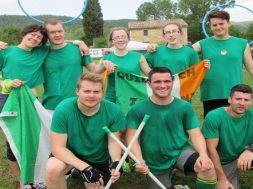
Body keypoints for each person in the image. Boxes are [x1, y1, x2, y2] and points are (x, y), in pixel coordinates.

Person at [126, 67, 217, 189]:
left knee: (207, 167)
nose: (163, 85)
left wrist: (203, 154)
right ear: (149, 84)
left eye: (167, 81)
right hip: (154, 159)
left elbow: (195, 134)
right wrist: (139, 160)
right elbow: (132, 138)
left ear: (172, 82)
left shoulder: (184, 106)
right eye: (157, 82)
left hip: (180, 151)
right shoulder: (137, 109)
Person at [45, 72, 125, 189]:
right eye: (87, 91)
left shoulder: (114, 111)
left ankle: (85, 175)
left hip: (98, 158)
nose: (91, 95)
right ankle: (78, 169)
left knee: (97, 187)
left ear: (102, 93)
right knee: (52, 170)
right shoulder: (63, 109)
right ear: (77, 91)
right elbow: (58, 148)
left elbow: (113, 141)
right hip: (70, 154)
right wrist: (85, 167)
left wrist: (116, 161)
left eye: (96, 92)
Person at [0, 24, 49, 189]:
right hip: (8, 99)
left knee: (33, 140)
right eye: (33, 35)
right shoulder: (6, 51)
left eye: (39, 38)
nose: (35, 38)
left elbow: (60, 40)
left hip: (31, 100)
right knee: (13, 144)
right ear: (24, 33)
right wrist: (7, 82)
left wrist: (80, 42)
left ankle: (36, 179)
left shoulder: (41, 52)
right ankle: (23, 181)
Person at [192, 10, 253, 117]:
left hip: (236, 95)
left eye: (221, 24)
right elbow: (182, 52)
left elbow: (251, 69)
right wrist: (154, 48)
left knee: (234, 130)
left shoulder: (242, 44)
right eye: (214, 25)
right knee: (212, 131)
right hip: (211, 95)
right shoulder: (202, 44)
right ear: (210, 27)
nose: (218, 27)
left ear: (228, 23)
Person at [202, 84, 253, 189]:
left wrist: (250, 150)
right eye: (238, 99)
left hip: (244, 154)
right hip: (223, 161)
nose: (242, 103)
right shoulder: (214, 116)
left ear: (251, 102)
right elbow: (211, 150)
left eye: (246, 100)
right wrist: (222, 179)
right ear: (229, 99)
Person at [42, 19, 98, 111]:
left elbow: (94, 70)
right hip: (51, 106)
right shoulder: (41, 52)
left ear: (64, 31)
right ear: (46, 35)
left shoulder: (77, 49)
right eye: (52, 32)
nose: (57, 35)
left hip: (77, 104)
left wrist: (105, 63)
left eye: (60, 31)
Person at [96, 27, 151, 103]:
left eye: (123, 37)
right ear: (112, 41)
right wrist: (103, 63)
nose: (120, 40)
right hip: (113, 98)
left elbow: (151, 75)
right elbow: (95, 73)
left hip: (133, 98)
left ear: (128, 39)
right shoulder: (106, 58)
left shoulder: (139, 57)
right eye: (117, 37)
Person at [145, 22, 209, 74]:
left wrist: (204, 67)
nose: (171, 35)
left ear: (180, 33)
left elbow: (196, 72)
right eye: (167, 32)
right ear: (164, 36)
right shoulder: (155, 51)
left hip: (183, 88)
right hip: (161, 88)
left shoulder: (191, 52)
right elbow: (141, 63)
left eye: (174, 31)